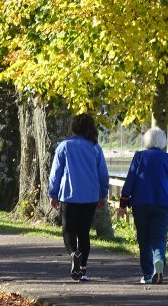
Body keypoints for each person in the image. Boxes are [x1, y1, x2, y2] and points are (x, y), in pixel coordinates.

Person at [48, 113, 109, 281]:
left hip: (69, 195)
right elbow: (103, 174)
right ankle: (83, 269)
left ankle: (73, 254)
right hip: (90, 196)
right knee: (84, 232)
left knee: (68, 229)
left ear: (74, 127)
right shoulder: (95, 148)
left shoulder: (64, 146)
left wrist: (53, 194)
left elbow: (56, 174)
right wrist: (103, 194)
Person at [116, 127, 168, 285]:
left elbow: (130, 180)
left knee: (144, 240)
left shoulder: (139, 157)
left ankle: (147, 275)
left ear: (146, 140)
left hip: (141, 203)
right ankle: (158, 262)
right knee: (159, 238)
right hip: (163, 204)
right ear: (163, 141)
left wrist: (123, 203)